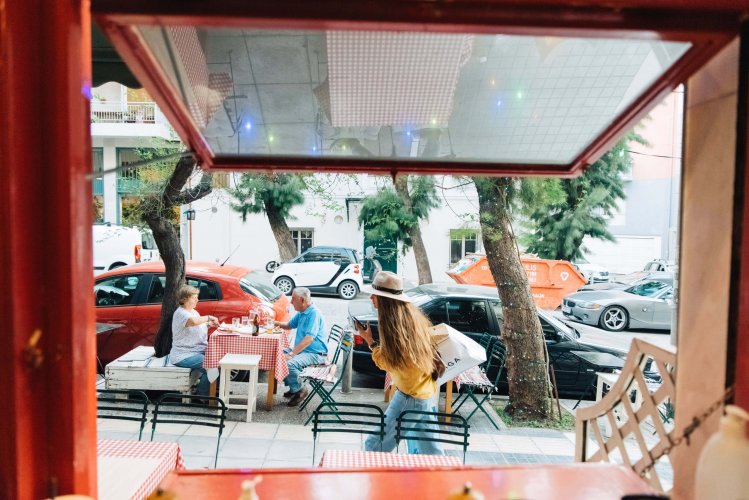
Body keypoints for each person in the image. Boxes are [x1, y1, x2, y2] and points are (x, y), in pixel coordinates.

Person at [356, 271, 444, 455]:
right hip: (424, 393)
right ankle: (440, 481)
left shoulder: (393, 328)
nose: (371, 297)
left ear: (384, 299)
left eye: (375, 294)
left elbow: (387, 364)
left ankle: (376, 483)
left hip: (410, 397)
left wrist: (370, 342)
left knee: (373, 447)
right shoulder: (410, 317)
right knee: (431, 454)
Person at [274, 287, 328, 406]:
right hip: (304, 351)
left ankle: (300, 389)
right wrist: (274, 323)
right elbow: (289, 325)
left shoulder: (313, 313)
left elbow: (309, 339)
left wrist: (292, 354)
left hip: (316, 353)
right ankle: (294, 387)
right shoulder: (303, 312)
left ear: (302, 300)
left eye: (293, 299)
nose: (291, 302)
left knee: (288, 362)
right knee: (275, 353)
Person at [170, 285, 218, 397]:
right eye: (194, 297)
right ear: (184, 299)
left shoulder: (193, 312)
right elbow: (193, 322)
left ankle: (211, 390)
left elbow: (196, 326)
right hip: (183, 355)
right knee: (212, 364)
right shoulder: (181, 313)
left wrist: (208, 325)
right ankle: (202, 396)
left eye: (197, 297)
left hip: (196, 351)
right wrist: (208, 317)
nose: (197, 300)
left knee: (219, 358)